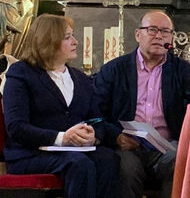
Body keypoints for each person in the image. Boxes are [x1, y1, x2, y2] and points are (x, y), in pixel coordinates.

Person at [2, 14, 119, 198]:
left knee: (107, 159)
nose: (75, 41)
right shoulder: (21, 74)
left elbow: (97, 119)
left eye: (73, 36)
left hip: (73, 152)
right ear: (47, 41)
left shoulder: (80, 78)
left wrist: (93, 136)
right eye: (67, 37)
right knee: (79, 163)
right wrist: (62, 138)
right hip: (30, 154)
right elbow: (16, 127)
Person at [93, 10, 190, 198]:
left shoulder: (182, 70)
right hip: (126, 144)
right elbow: (95, 112)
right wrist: (116, 136)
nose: (159, 36)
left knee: (181, 161)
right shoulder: (115, 69)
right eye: (152, 30)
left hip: (167, 145)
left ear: (172, 38)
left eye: (165, 31)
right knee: (124, 169)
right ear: (138, 35)